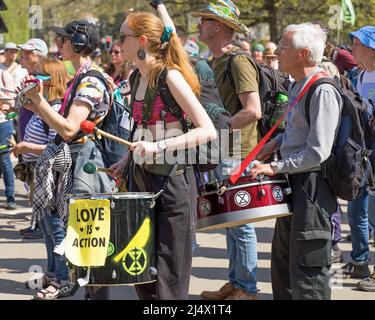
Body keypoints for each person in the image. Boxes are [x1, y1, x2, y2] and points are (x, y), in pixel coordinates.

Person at [110, 9, 216, 300]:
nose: (118, 44)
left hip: (173, 184)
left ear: (142, 41)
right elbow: (141, 126)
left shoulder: (170, 78)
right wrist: (126, 159)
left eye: (124, 37)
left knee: (170, 274)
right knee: (140, 267)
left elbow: (207, 130)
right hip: (141, 179)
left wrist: (159, 147)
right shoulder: (135, 79)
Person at [23, 20, 115, 300]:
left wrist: (39, 104)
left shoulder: (91, 80)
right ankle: (73, 284)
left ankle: (78, 286)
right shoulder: (81, 76)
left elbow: (69, 129)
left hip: (85, 167)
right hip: (74, 163)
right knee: (77, 236)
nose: (57, 45)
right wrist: (34, 106)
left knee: (86, 239)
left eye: (62, 40)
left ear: (78, 43)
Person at [251, 23, 342, 300]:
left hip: (312, 190)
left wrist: (274, 166)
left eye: (283, 47)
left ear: (302, 53)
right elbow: (300, 131)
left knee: (307, 279)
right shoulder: (298, 85)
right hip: (294, 184)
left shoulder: (322, 90)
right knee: (283, 270)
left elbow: (317, 152)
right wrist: (276, 144)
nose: (277, 51)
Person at [193, 0, 261, 300]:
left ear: (219, 26)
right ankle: (236, 282)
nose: (199, 25)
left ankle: (247, 288)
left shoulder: (238, 61)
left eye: (205, 20)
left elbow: (253, 110)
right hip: (223, 150)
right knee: (230, 222)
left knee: (240, 223)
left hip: (236, 150)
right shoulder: (214, 61)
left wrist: (218, 130)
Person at [13, 58, 70, 299]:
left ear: (51, 81)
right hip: (40, 175)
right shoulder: (45, 106)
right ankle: (52, 273)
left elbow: (56, 145)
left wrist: (27, 146)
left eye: (40, 77)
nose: (36, 80)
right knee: (47, 229)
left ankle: (63, 279)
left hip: (52, 178)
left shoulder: (56, 110)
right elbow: (27, 106)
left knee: (56, 229)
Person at [346, 26, 375, 292]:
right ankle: (359, 259)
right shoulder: (358, 74)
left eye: (357, 44)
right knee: (356, 208)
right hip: (362, 153)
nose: (352, 48)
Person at [0, 69, 16, 210]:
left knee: (4, 160)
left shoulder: (3, 74)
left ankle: (10, 195)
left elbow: (12, 99)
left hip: (3, 124)